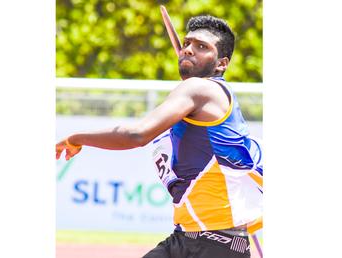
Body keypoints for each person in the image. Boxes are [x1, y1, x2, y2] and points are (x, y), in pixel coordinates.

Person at [56, 15, 262, 258]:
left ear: (221, 64)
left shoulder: (200, 88)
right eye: (187, 43)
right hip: (186, 237)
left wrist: (76, 138)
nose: (188, 50)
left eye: (202, 47)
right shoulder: (201, 98)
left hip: (217, 246)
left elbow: (136, 135)